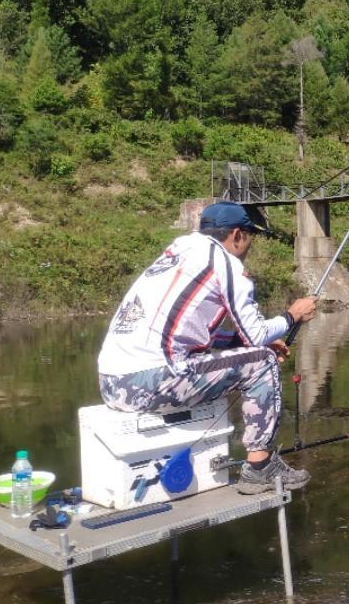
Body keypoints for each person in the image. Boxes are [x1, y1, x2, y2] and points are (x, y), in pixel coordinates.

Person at [97, 201, 316, 494]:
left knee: (251, 353)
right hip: (147, 383)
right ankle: (260, 466)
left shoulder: (179, 251)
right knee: (263, 360)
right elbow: (257, 335)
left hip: (111, 383)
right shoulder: (227, 264)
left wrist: (240, 343)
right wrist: (292, 316)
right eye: (249, 237)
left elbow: (187, 335)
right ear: (237, 235)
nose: (249, 246)